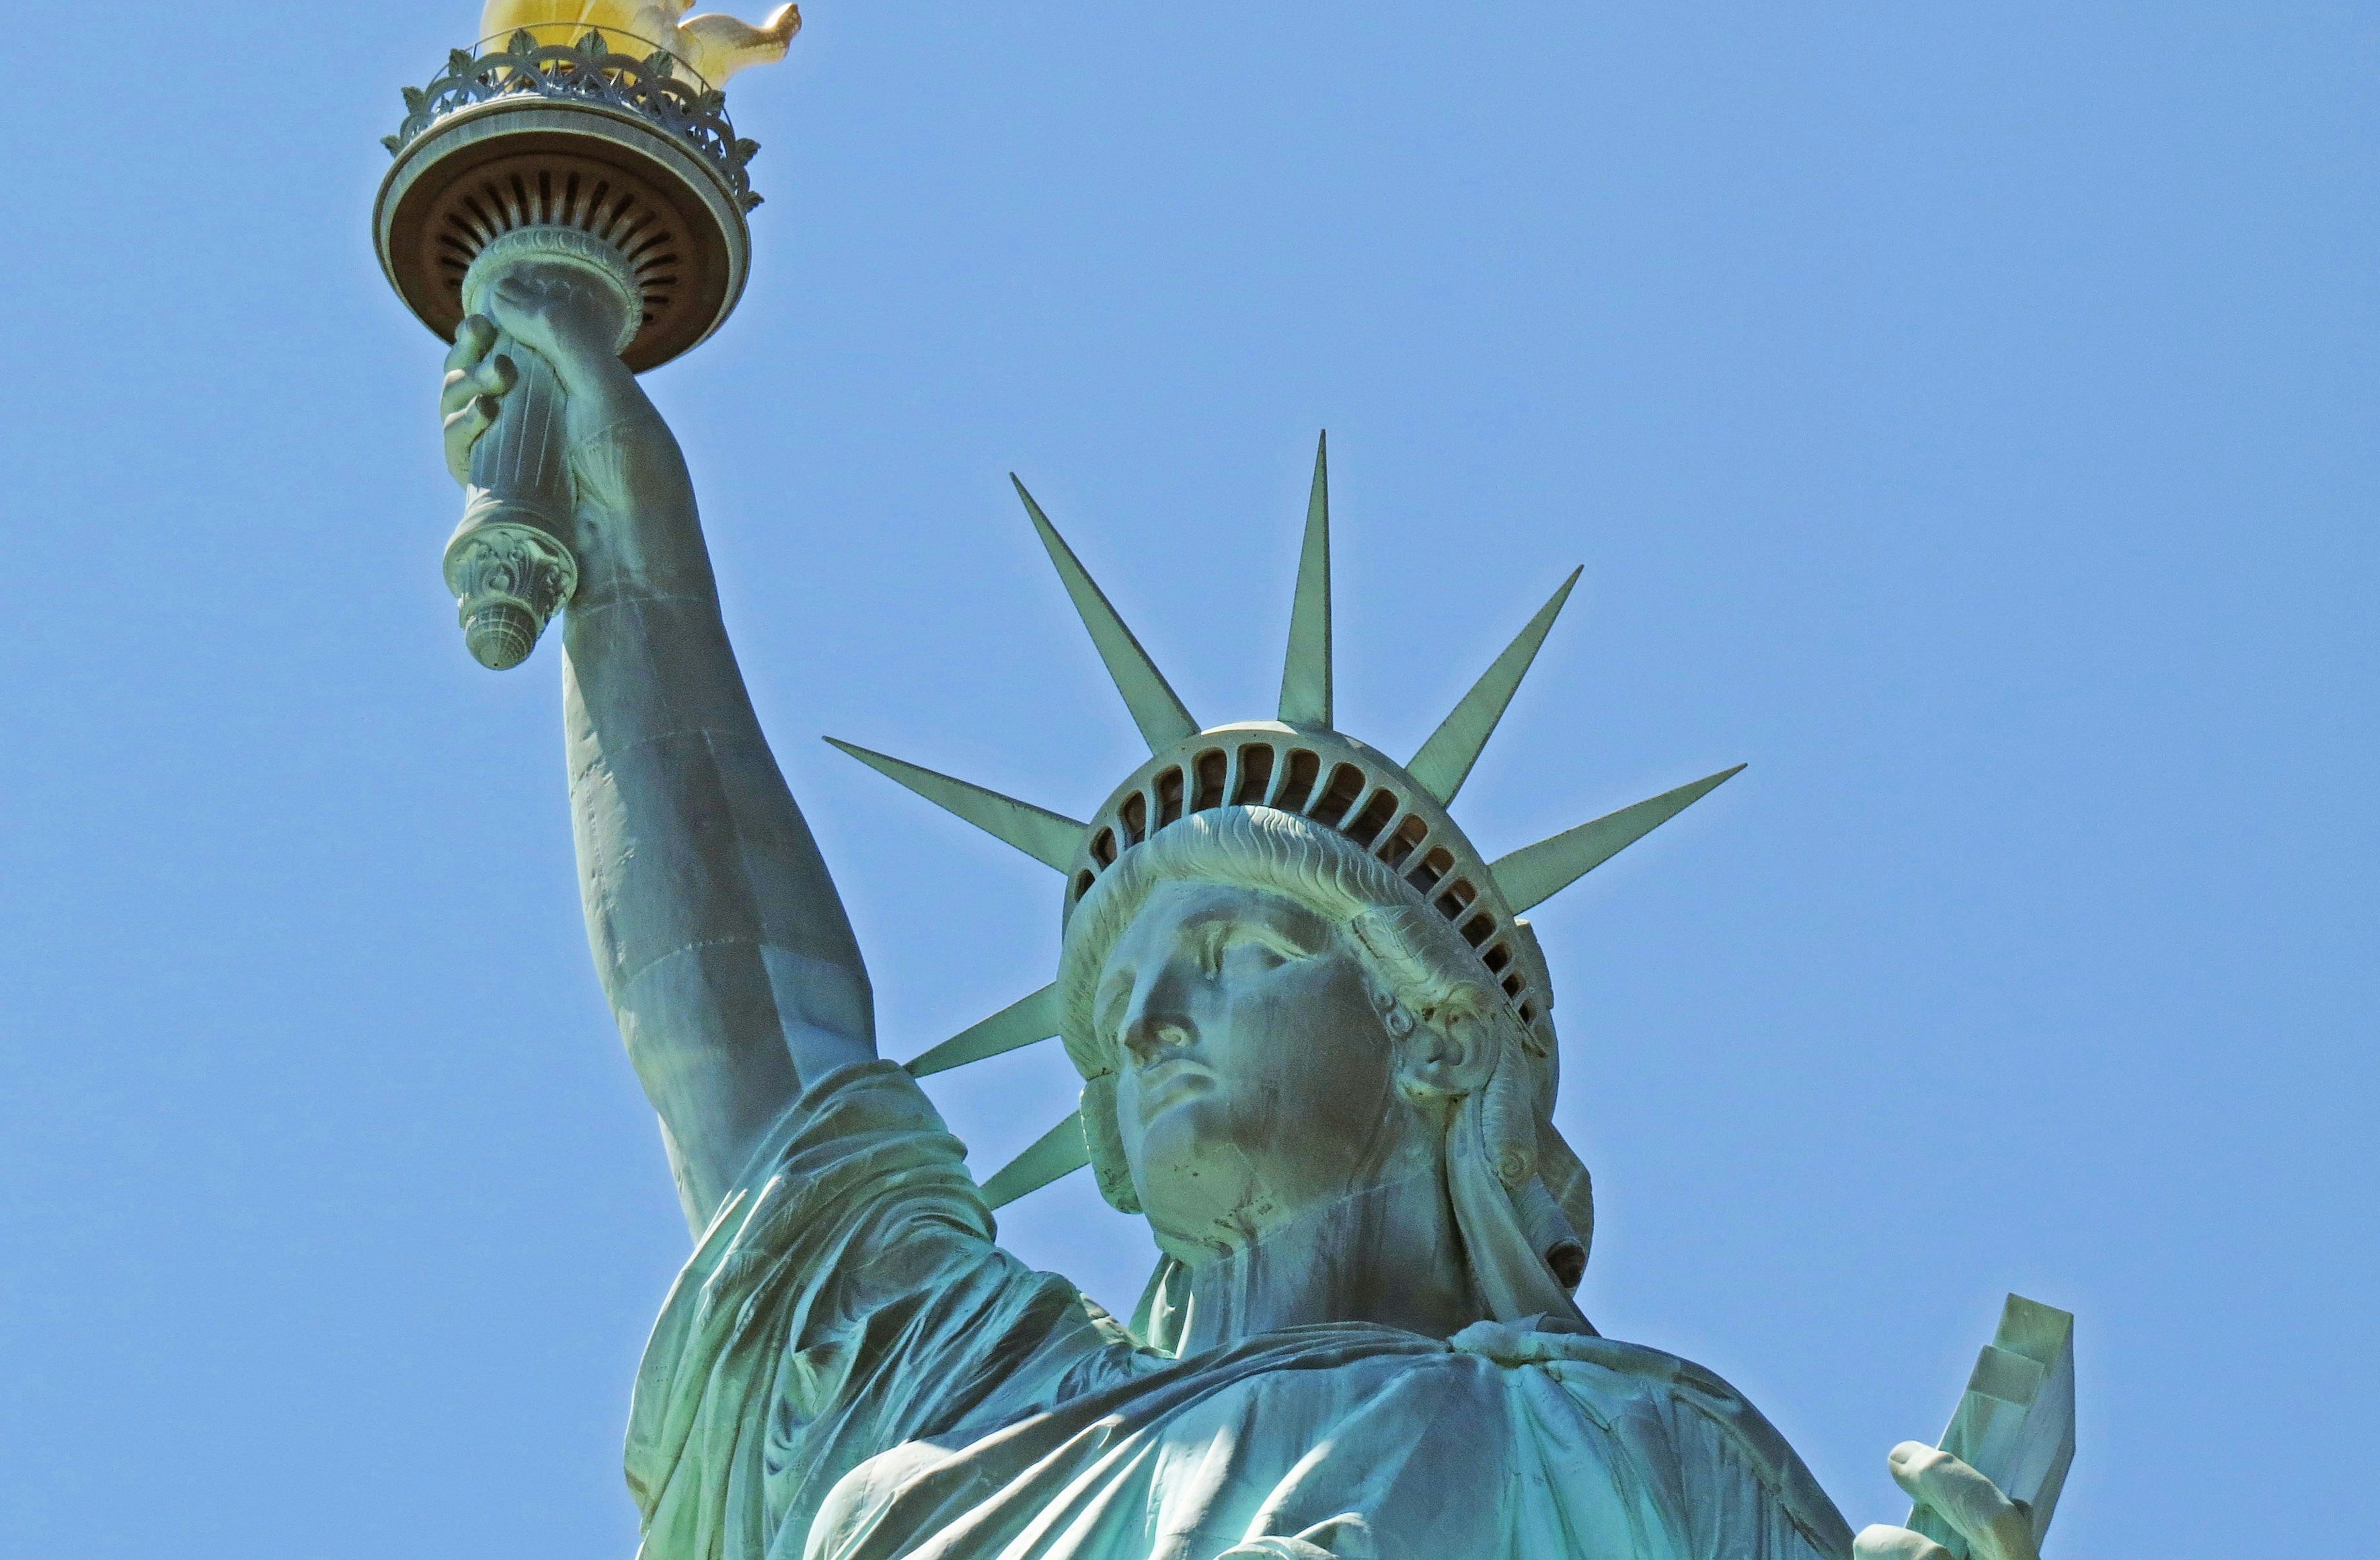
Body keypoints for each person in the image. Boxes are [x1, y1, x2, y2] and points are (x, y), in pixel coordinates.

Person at [438, 260, 2044, 1560]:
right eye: (1125, 988)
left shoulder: (1625, 1459)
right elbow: (752, 1055)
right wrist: (626, 552)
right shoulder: (983, 1395)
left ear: (1430, 1033)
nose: (1145, 1022)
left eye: (1236, 953)